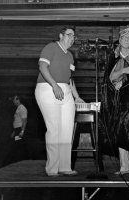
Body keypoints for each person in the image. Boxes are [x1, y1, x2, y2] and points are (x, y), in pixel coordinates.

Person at [99, 25, 129, 176]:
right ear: (119, 40)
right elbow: (110, 78)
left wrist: (124, 81)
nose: (126, 40)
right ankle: (124, 167)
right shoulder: (112, 57)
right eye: (124, 37)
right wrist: (123, 71)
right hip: (117, 101)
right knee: (120, 132)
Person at [35, 26, 84, 177]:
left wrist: (76, 96)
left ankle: (65, 167)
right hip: (48, 88)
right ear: (61, 35)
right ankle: (52, 169)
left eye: (74, 36)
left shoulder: (70, 55)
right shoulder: (51, 47)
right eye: (69, 35)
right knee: (54, 129)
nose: (72, 38)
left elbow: (70, 79)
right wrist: (54, 85)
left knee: (67, 130)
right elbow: (43, 67)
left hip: (66, 91)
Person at [4, 95, 28, 165]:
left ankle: (11, 162)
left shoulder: (22, 108)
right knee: (17, 145)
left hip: (20, 130)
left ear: (18, 100)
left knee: (16, 145)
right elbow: (17, 121)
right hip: (17, 130)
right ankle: (16, 161)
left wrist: (22, 131)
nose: (13, 101)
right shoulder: (18, 108)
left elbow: (24, 121)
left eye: (14, 100)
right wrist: (14, 131)